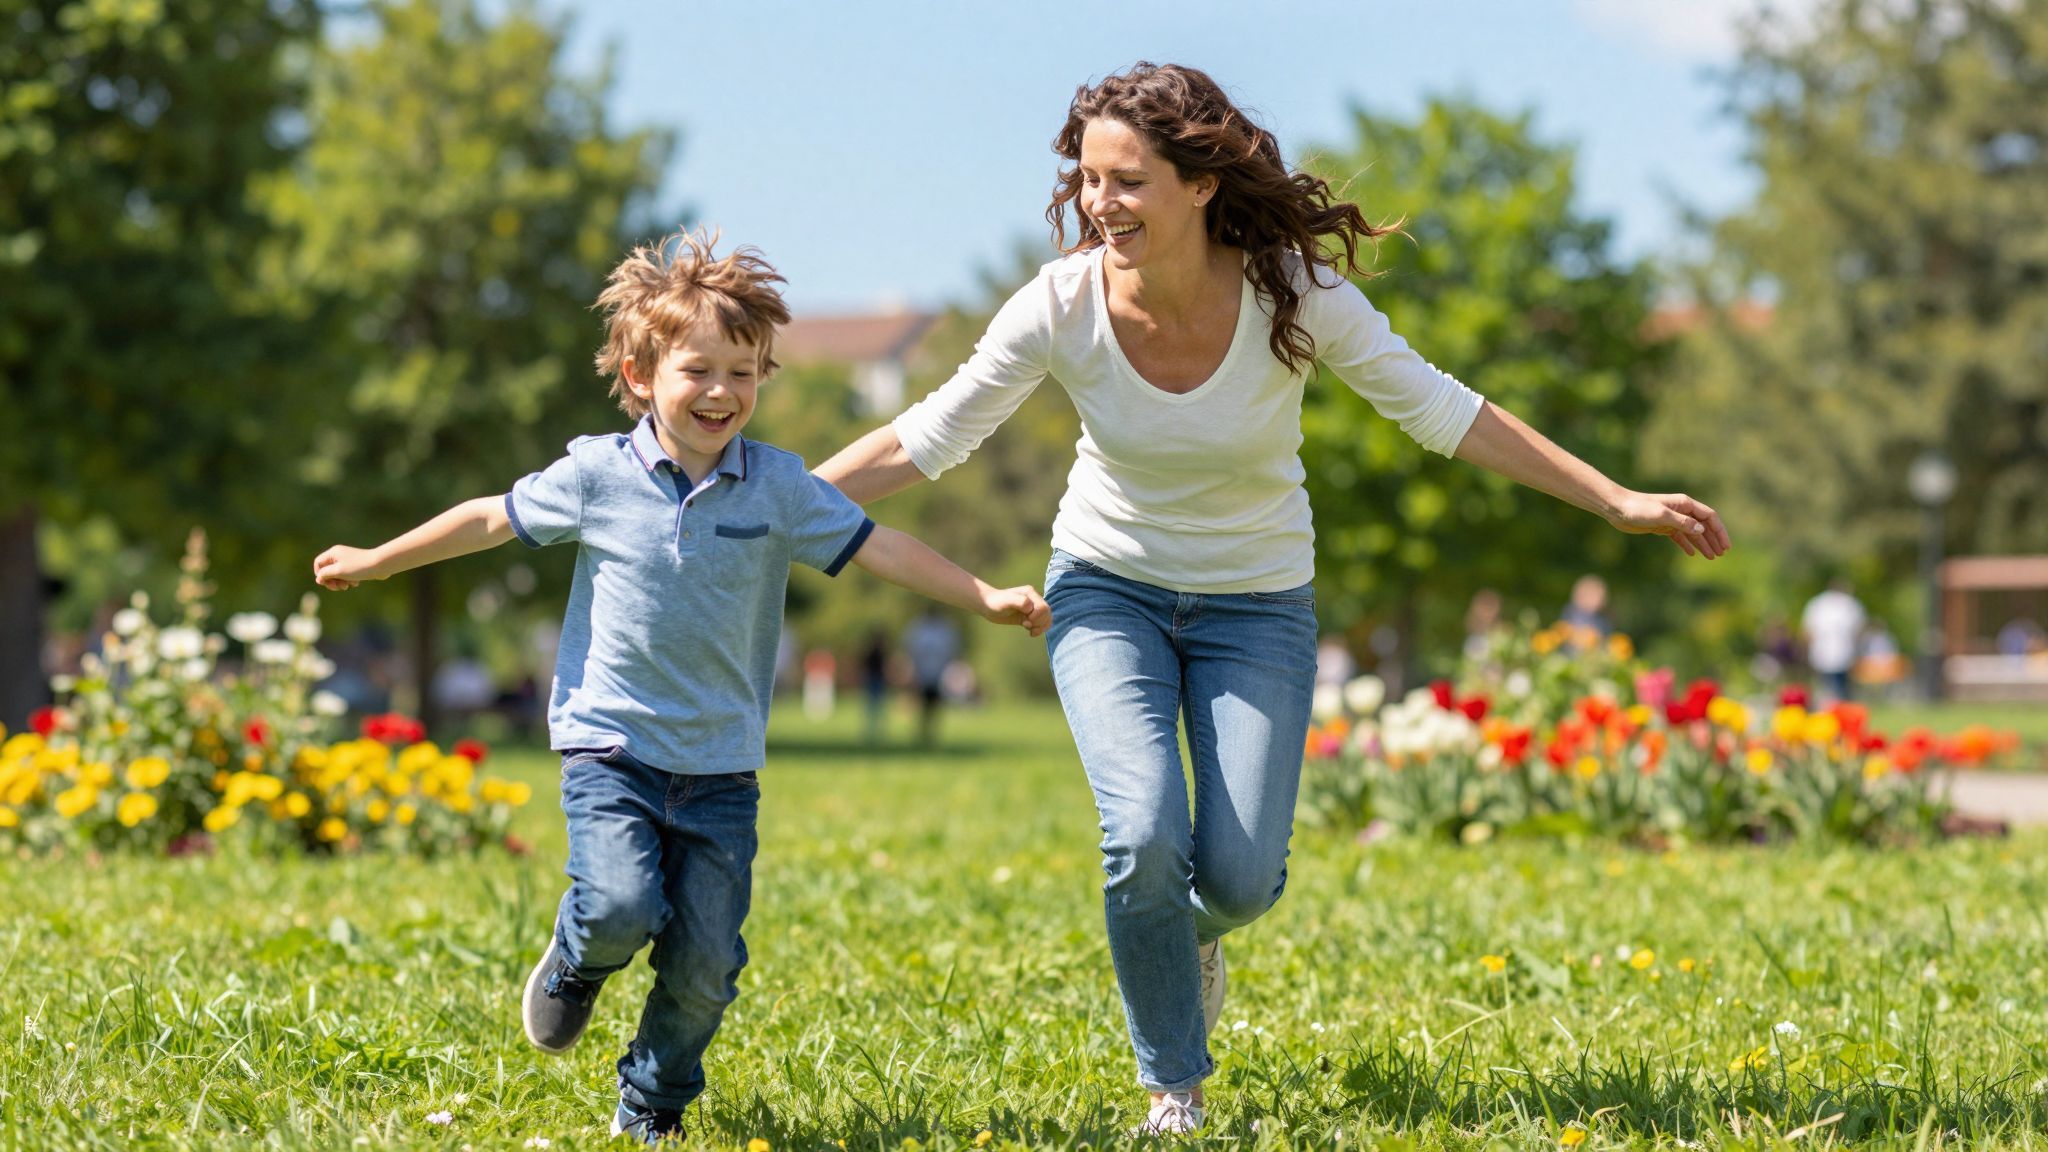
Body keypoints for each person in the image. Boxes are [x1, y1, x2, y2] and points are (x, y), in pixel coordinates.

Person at [814, 63, 1731, 1134]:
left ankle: (1179, 932)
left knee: (1241, 882)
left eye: (1126, 180)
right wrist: (767, 495)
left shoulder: (1290, 292)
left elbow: (1441, 409)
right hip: (1106, 591)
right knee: (1140, 835)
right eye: (1087, 178)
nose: (1098, 203)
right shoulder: (1059, 306)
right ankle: (1172, 1085)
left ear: (1199, 185)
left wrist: (1611, 497)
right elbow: (928, 437)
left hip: (1255, 603)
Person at [311, 231, 1051, 1145]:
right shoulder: (594, 475)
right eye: (698, 369)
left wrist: (982, 595)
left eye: (744, 373)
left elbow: (881, 546)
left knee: (706, 962)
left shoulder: (778, 486)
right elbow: (487, 519)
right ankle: (578, 961)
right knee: (620, 905)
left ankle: (652, 1102)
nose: (721, 392)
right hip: (610, 748)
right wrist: (382, 560)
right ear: (639, 372)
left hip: (721, 768)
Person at [1800, 578, 1866, 703]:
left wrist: (1805, 651)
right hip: (1838, 652)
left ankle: (1834, 707)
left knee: (1829, 686)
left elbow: (1808, 631)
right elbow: (1858, 631)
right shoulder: (1850, 604)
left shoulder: (1817, 604)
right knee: (1839, 686)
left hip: (1827, 652)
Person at [903, 607, 961, 746]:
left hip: (934, 675)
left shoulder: (922, 629)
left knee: (931, 707)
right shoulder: (937, 630)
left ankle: (928, 734)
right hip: (926, 674)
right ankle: (924, 733)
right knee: (925, 707)